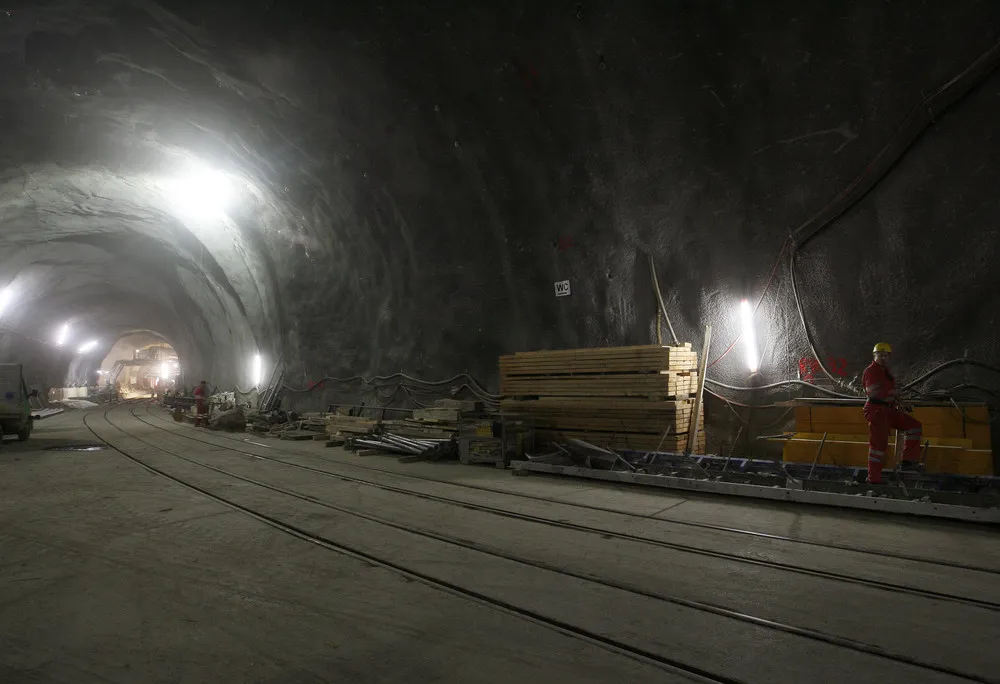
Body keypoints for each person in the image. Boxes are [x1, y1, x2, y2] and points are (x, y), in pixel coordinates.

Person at [862, 343, 922, 485]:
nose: (883, 357)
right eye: (880, 354)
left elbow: (891, 393)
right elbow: (873, 393)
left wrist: (901, 403)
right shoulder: (871, 371)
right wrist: (892, 393)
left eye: (886, 355)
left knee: (914, 426)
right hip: (876, 411)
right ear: (874, 355)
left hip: (888, 410)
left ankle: (908, 461)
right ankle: (873, 479)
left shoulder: (886, 372)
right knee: (878, 447)